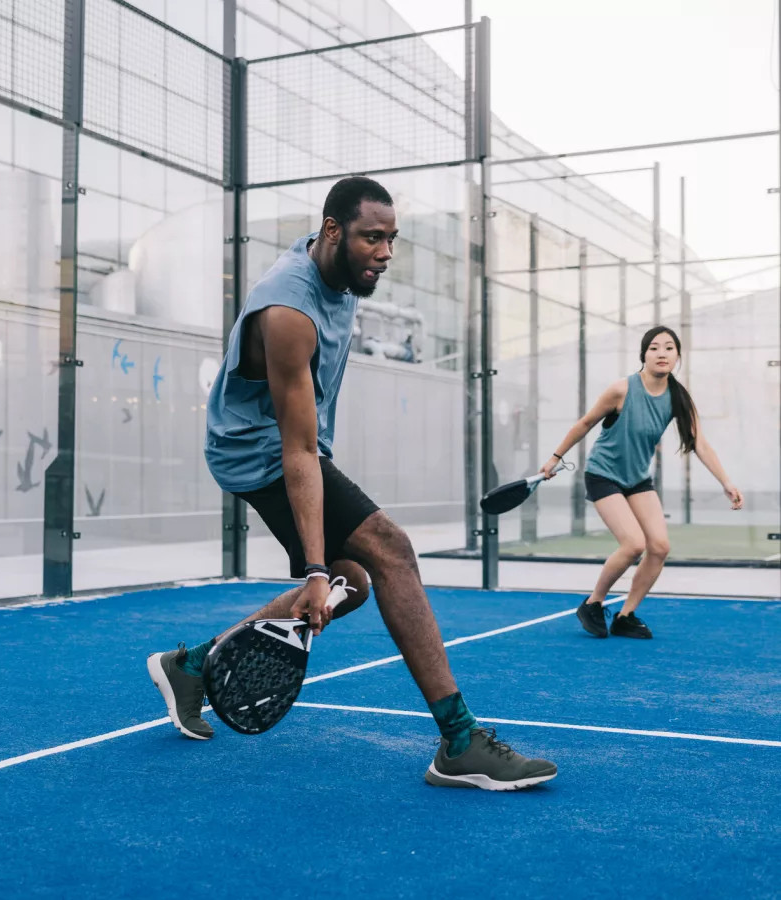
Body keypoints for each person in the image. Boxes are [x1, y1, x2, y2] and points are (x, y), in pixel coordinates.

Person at [148, 176, 557, 791]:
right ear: (334, 232)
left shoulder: (338, 265)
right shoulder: (288, 311)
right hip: (255, 451)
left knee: (356, 583)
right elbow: (299, 449)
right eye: (372, 238)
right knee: (391, 550)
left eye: (392, 239)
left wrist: (327, 576)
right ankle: (460, 740)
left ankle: (194, 666)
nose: (385, 253)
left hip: (285, 444)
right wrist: (313, 569)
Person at [540, 325, 743, 639]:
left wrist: (725, 482)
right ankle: (593, 603)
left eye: (669, 348)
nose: (662, 353)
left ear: (677, 356)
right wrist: (554, 457)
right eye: (654, 348)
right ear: (644, 354)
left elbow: (700, 442)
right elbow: (585, 423)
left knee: (660, 547)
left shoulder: (678, 397)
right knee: (633, 544)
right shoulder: (622, 389)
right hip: (603, 474)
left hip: (636, 479)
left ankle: (625, 615)